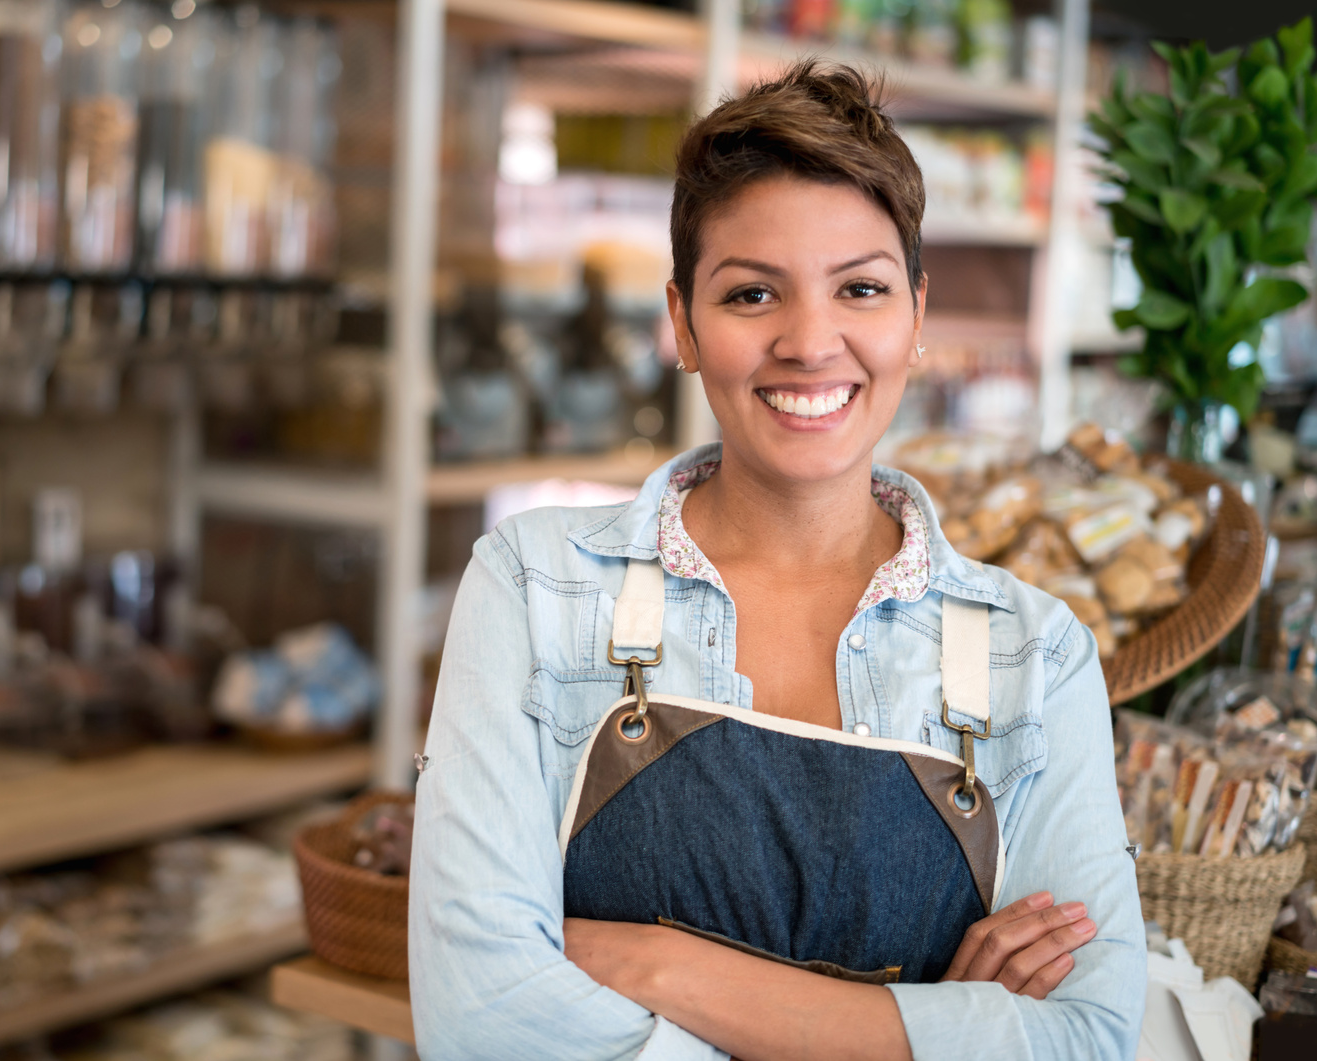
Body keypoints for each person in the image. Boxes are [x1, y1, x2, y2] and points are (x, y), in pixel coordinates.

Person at [408, 61, 1146, 1061]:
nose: (809, 341)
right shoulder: (537, 586)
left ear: (916, 317)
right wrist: (926, 1032)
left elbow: (1089, 1039)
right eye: (752, 292)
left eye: (861, 288)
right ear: (682, 322)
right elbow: (482, 1017)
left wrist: (664, 968)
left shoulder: (1034, 654)